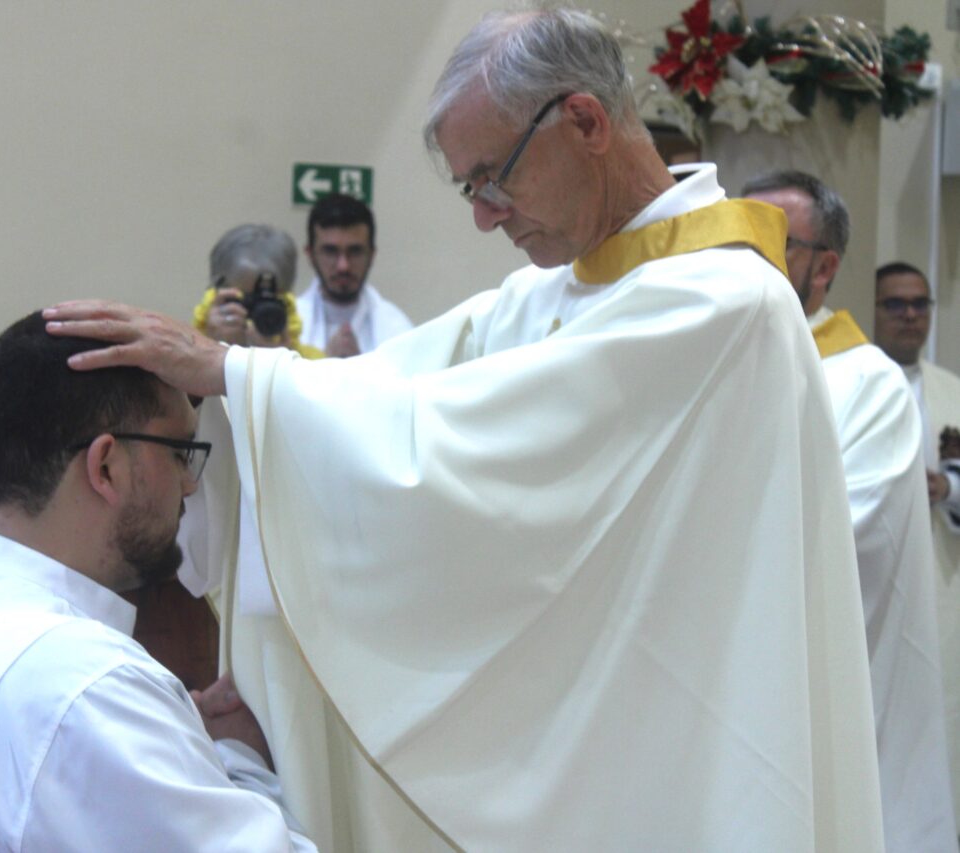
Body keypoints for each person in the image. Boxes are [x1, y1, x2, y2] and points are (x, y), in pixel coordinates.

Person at [45, 7, 886, 850]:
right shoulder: (546, 292)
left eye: (492, 177)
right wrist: (237, 387)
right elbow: (384, 400)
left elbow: (451, 452)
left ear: (584, 122)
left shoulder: (723, 306)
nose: (485, 215)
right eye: (469, 189)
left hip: (672, 741)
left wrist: (236, 372)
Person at [0, 312, 315, 852]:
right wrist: (239, 758)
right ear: (105, 467)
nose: (190, 486)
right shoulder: (90, 689)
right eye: (180, 452)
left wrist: (172, 745)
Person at [743, 173, 956, 852]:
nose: (743, 259)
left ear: (825, 266)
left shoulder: (865, 381)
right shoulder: (719, 351)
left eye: (770, 242)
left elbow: (845, 539)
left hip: (826, 677)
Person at [874, 260, 960, 835]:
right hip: (876, 584)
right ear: (875, 310)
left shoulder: (954, 391)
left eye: (920, 305)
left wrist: (946, 486)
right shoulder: (848, 378)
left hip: (941, 584)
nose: (910, 315)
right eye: (896, 304)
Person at [297, 193, 412, 357]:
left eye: (355, 251)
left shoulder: (398, 329)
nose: (343, 266)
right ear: (310, 254)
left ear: (372, 255)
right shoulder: (287, 325)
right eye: (330, 251)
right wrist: (324, 361)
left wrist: (359, 367)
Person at [196, 223, 324, 359]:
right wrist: (212, 349)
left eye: (267, 302)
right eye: (245, 302)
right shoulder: (185, 355)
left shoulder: (315, 365)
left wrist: (283, 365)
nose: (256, 315)